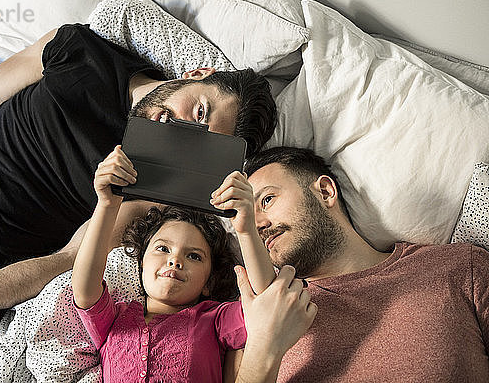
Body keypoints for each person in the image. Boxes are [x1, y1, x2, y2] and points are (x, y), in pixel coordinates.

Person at [0, 23, 277, 381]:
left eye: (198, 139)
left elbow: (64, 261)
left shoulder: (156, 188)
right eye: (198, 110)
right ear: (197, 74)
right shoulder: (80, 51)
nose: (178, 127)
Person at [232, 146, 489, 382]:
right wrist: (263, 346)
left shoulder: (456, 267)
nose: (259, 224)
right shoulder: (259, 320)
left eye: (267, 200)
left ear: (325, 192)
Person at [70, 145, 316, 382]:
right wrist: (107, 204)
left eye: (194, 256)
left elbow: (267, 300)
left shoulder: (214, 320)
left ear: (208, 282)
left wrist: (246, 228)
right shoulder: (115, 319)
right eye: (163, 248)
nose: (175, 260)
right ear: (141, 264)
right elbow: (84, 286)